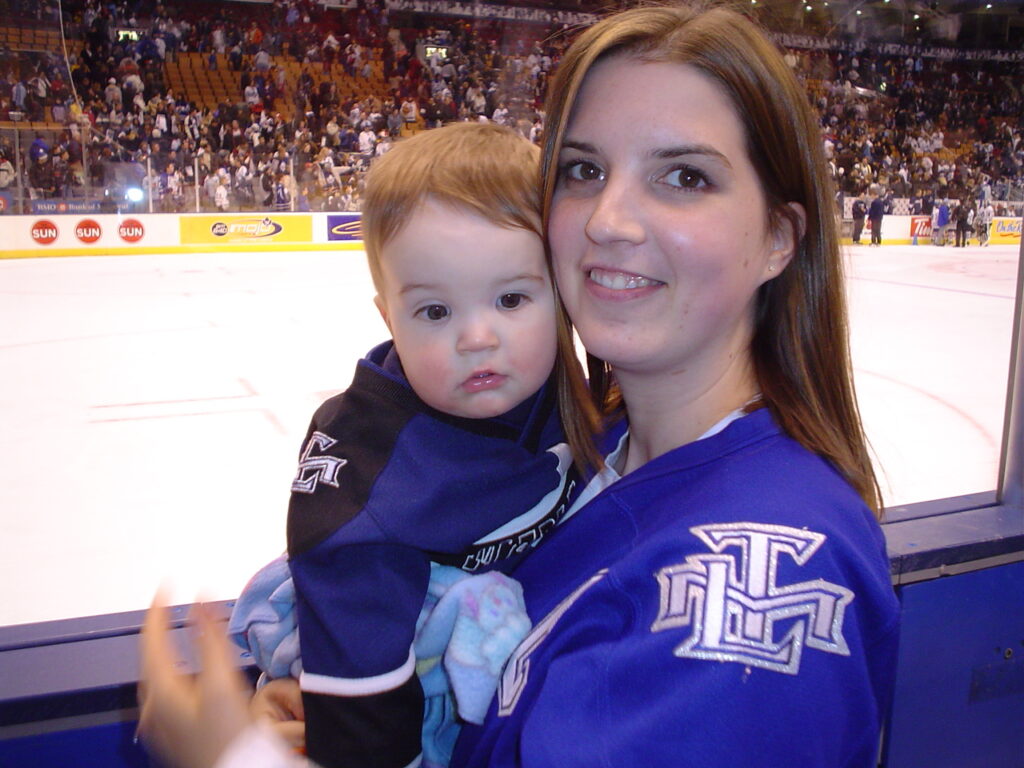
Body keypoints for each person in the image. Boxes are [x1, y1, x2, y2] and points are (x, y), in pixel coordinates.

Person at [138, 5, 900, 768]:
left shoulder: (760, 581)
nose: (608, 219)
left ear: (777, 238)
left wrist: (236, 762)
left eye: (683, 176)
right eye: (583, 169)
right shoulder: (572, 439)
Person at [244, 121, 599, 768]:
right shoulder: (366, 477)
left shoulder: (572, 385)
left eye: (512, 298)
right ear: (389, 319)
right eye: (435, 312)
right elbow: (361, 708)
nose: (477, 337)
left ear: (562, 294)